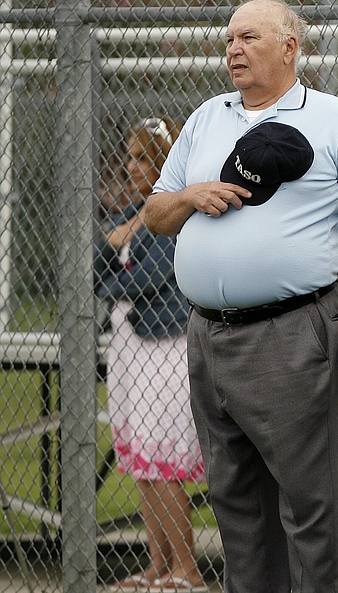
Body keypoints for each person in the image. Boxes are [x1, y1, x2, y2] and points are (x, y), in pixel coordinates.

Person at [141, 0, 338, 592]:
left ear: (290, 46)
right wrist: (190, 195)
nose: (233, 49)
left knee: (306, 507)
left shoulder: (331, 119)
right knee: (235, 504)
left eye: (249, 37)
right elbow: (154, 212)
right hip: (208, 334)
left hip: (292, 332)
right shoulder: (206, 117)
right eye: (229, 39)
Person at [95, 117, 207, 592]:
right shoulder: (135, 214)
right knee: (142, 464)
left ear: (163, 160)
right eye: (130, 156)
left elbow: (154, 278)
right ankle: (158, 567)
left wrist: (111, 279)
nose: (131, 165)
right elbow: (95, 266)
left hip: (166, 348)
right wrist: (111, 242)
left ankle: (188, 571)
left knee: (162, 463)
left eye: (143, 157)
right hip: (131, 346)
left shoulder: (170, 213)